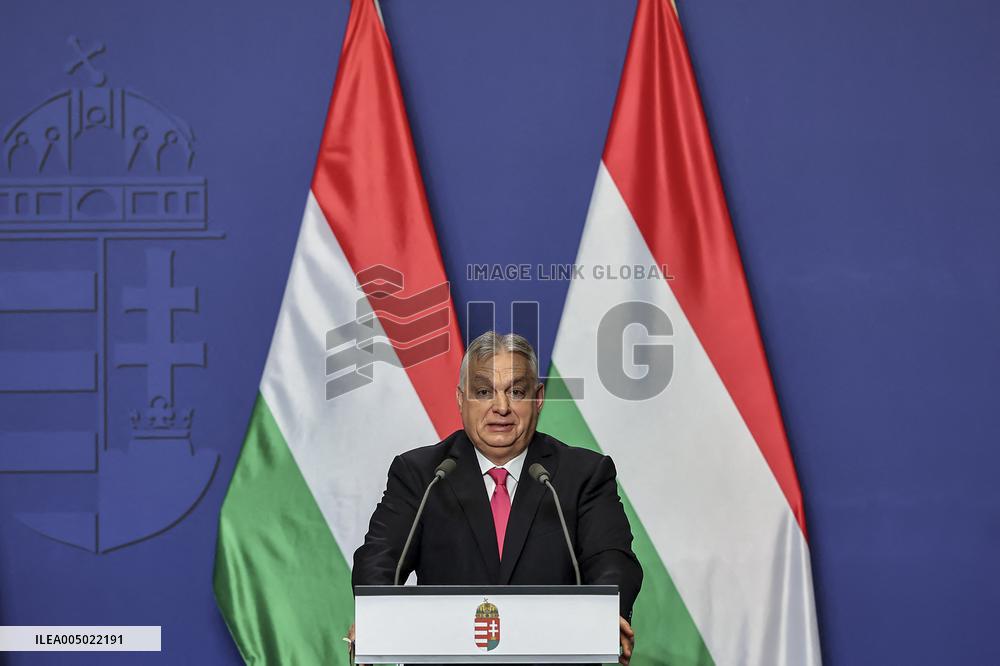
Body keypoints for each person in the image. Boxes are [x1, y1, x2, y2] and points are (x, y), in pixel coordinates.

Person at [351, 332, 642, 665]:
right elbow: (381, 556)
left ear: (538, 398)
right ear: (462, 399)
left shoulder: (583, 474)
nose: (500, 407)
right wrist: (374, 610)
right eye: (484, 392)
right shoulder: (422, 474)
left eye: (516, 392)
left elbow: (611, 559)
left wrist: (608, 611)